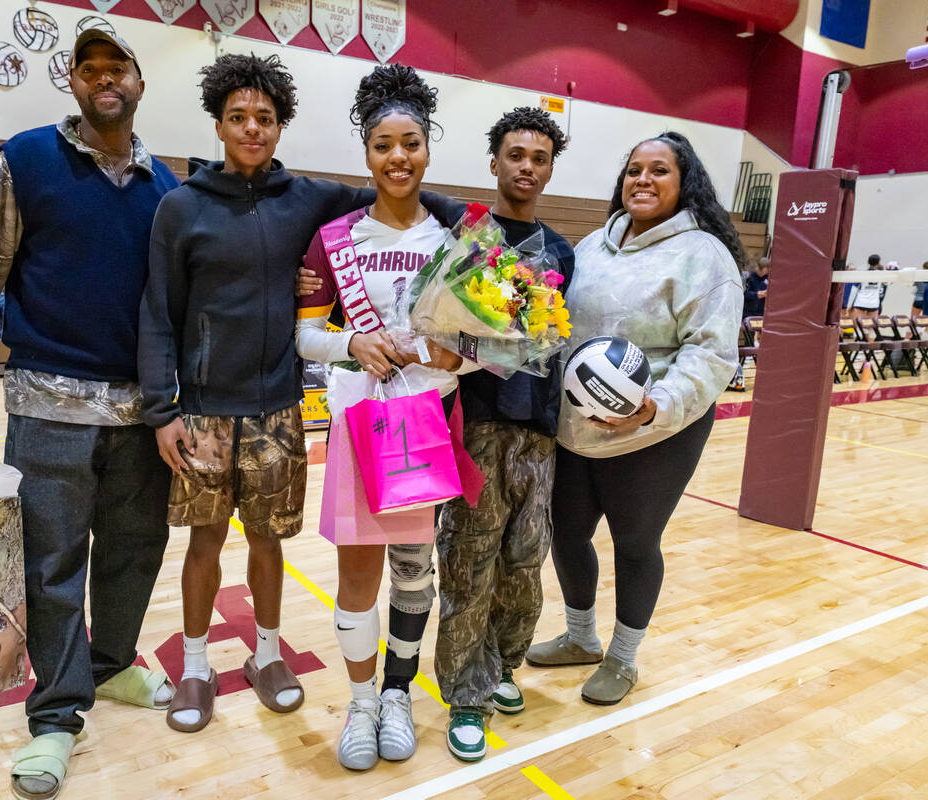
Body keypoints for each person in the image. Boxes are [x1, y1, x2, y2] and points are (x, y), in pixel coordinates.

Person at [138, 53, 458, 737]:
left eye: (265, 118)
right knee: (202, 543)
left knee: (266, 543)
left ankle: (266, 654)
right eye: (238, 118)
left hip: (279, 406)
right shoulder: (179, 206)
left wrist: (501, 231)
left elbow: (408, 192)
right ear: (219, 123)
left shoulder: (309, 200)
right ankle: (195, 666)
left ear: (281, 124)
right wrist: (161, 410)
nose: (252, 129)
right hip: (201, 408)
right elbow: (157, 312)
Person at [0, 30, 179, 800]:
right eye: (89, 68)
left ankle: (112, 666)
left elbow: (178, 303)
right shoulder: (28, 159)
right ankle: (58, 716)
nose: (105, 79)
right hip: (48, 403)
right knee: (54, 564)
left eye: (118, 67)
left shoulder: (166, 185)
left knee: (136, 549)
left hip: (140, 413)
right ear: (72, 81)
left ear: (139, 81)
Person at [527, 131, 743, 707]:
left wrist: (655, 408)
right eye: (633, 171)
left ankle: (623, 658)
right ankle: (579, 638)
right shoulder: (595, 245)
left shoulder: (704, 255)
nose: (642, 180)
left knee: (635, 542)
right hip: (578, 427)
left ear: (684, 183)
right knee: (567, 533)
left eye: (659, 171)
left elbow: (713, 354)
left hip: (656, 431)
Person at [294, 63, 469, 771]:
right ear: (366, 154)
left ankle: (399, 692)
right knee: (358, 574)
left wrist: (452, 355)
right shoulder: (333, 239)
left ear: (428, 148)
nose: (398, 157)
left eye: (411, 143)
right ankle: (362, 702)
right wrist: (351, 341)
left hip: (428, 425)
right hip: (360, 427)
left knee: (415, 570)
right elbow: (305, 336)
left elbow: (482, 346)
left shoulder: (457, 241)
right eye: (383, 145)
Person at [432, 107, 574, 762]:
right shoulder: (466, 239)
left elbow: (553, 339)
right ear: (495, 162)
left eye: (539, 158)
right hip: (476, 426)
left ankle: (502, 662)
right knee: (469, 562)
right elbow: (436, 325)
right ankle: (465, 693)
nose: (526, 167)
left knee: (524, 562)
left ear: (549, 169)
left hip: (538, 431)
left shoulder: (563, 251)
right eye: (515, 154)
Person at [729, 256, 768, 391]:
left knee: (752, 342)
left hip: (760, 313)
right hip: (747, 312)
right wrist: (758, 294)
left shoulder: (768, 279)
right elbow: (745, 295)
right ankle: (737, 374)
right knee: (749, 340)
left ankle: (742, 374)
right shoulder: (750, 279)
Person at [851, 254, 884, 319]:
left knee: (857, 326)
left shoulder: (862, 273)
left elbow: (855, 286)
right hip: (873, 303)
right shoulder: (882, 274)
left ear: (868, 262)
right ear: (878, 262)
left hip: (860, 302)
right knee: (871, 327)